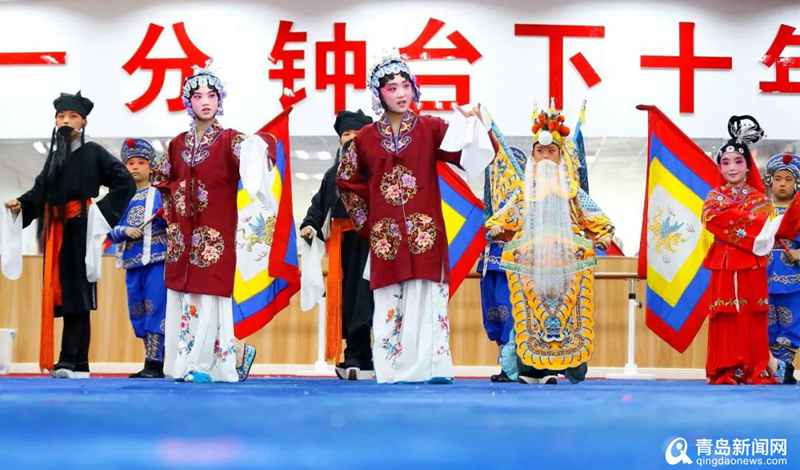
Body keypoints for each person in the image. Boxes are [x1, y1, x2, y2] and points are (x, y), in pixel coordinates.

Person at [336, 54, 488, 384]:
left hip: (425, 234)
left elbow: (467, 155)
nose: (401, 93)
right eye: (392, 88)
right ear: (378, 94)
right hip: (386, 238)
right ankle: (392, 369)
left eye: (406, 86)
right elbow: (347, 181)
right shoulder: (364, 138)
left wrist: (473, 125)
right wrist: (371, 225)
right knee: (389, 303)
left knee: (427, 300)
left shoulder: (431, 128)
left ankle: (432, 368)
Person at [152, 68, 272, 383]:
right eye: (197, 96)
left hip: (215, 234)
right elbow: (161, 178)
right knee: (183, 296)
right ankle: (184, 363)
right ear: (188, 102)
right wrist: (175, 206)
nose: (205, 102)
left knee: (208, 296)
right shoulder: (177, 144)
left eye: (211, 95)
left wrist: (258, 146)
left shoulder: (231, 140)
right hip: (183, 235)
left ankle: (205, 364)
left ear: (220, 101)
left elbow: (256, 160)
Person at [5, 91, 135, 378]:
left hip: (80, 228)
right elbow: (39, 192)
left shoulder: (94, 153)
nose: (65, 121)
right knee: (63, 295)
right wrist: (21, 205)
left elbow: (124, 182)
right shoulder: (54, 157)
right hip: (56, 232)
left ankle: (73, 361)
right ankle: (73, 362)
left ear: (83, 122)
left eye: (72, 116)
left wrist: (99, 214)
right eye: (61, 116)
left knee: (78, 296)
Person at [485, 105, 614, 385]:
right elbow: (501, 219)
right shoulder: (523, 193)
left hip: (567, 268)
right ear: (533, 155)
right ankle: (529, 370)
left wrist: (602, 237)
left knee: (565, 318)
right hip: (530, 268)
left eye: (551, 151)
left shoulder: (572, 192)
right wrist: (497, 229)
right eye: (540, 151)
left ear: (560, 155)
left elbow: (599, 220)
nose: (545, 157)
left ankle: (558, 369)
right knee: (530, 318)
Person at [300, 109, 375, 380]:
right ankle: (355, 354)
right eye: (346, 134)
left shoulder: (377, 169)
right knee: (348, 299)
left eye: (358, 134)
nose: (351, 138)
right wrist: (310, 224)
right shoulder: (332, 174)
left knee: (369, 298)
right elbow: (319, 205)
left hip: (373, 242)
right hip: (343, 245)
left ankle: (380, 354)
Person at [700, 115, 775, 385]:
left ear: (748, 165)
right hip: (723, 263)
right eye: (726, 162)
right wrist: (745, 220)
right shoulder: (713, 198)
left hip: (752, 263)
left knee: (752, 314)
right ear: (719, 166)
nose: (732, 168)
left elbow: (762, 223)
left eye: (738, 161)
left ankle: (754, 366)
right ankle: (726, 368)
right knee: (724, 314)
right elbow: (711, 219)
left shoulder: (760, 199)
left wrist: (730, 218)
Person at [108, 138, 168, 378]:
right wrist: (124, 230)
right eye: (130, 163)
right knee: (138, 311)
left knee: (156, 308)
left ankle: (156, 362)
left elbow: (174, 221)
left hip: (157, 260)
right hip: (132, 263)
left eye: (141, 162)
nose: (135, 167)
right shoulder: (120, 197)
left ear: (150, 166)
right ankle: (150, 360)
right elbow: (108, 230)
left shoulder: (161, 194)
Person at [763, 152, 800, 384]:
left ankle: (785, 365)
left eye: (788, 179)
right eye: (778, 179)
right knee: (765, 324)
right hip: (762, 279)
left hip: (793, 279)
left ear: (796, 183)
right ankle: (769, 365)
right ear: (770, 181)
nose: (783, 184)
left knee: (791, 323)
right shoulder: (760, 209)